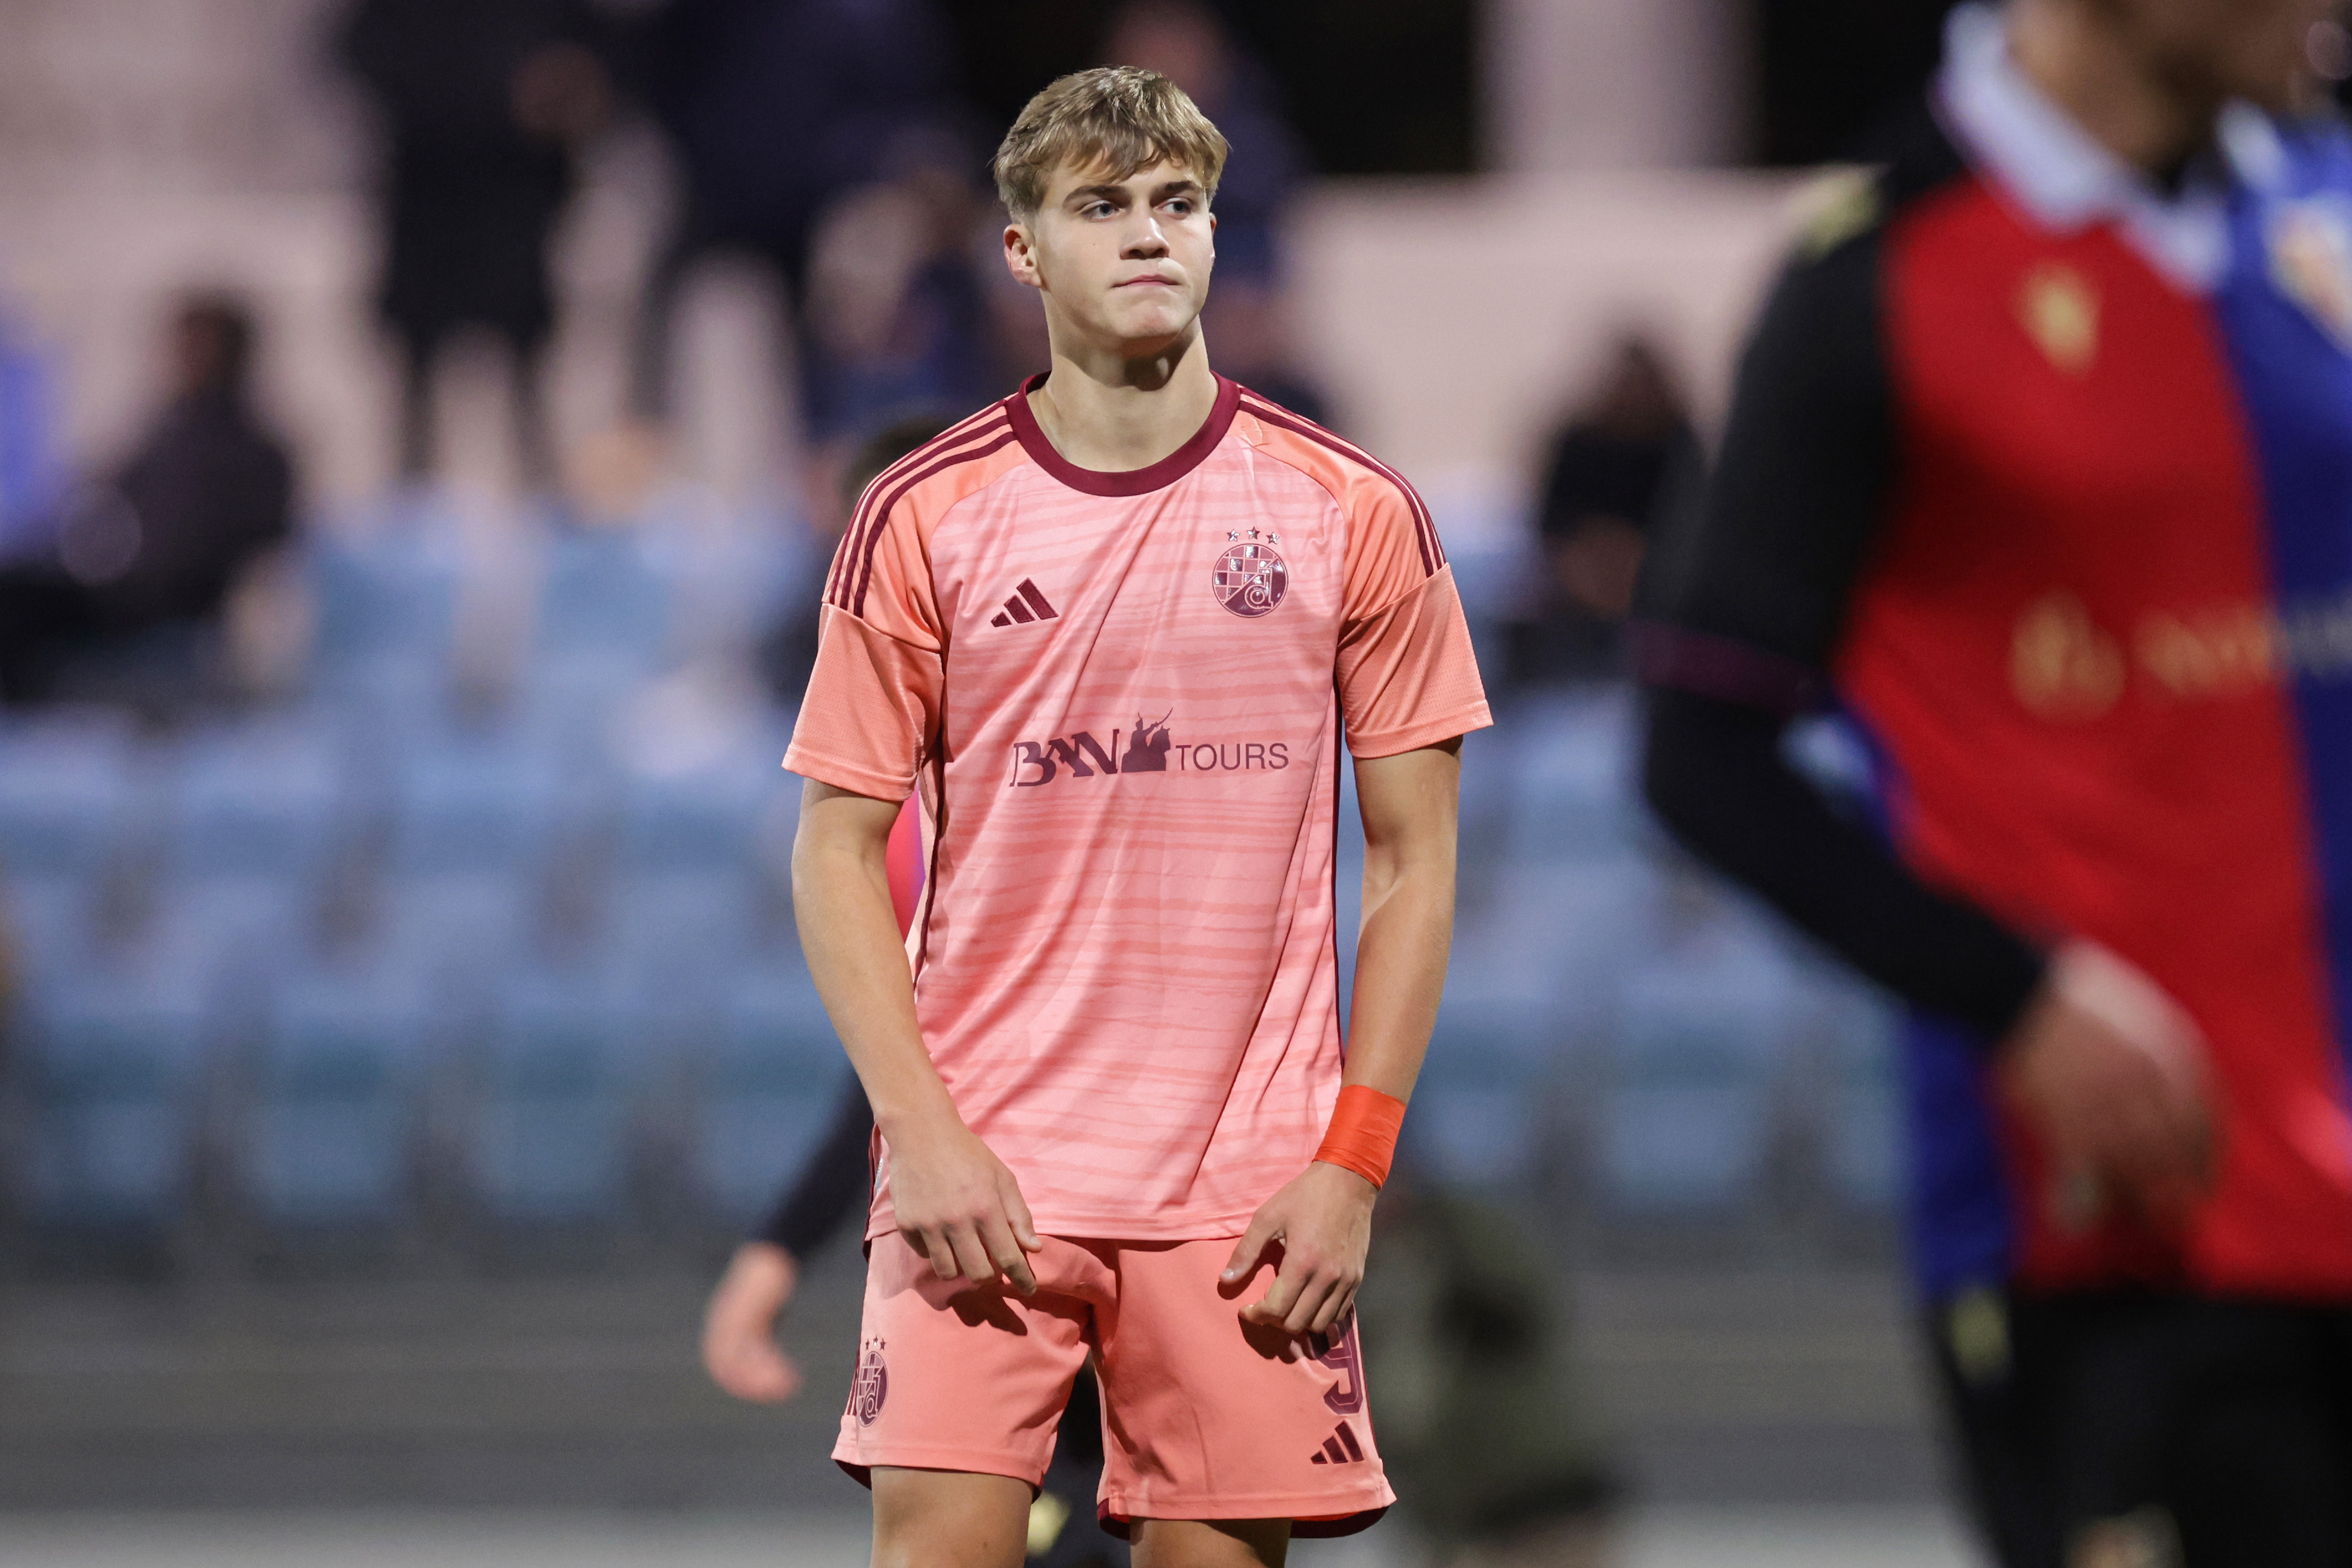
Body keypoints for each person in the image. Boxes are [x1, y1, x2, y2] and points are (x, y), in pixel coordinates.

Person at [1638, 2, 2352, 1563]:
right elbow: (1701, 749)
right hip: (2123, 1251)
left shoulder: (2326, 210)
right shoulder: (1871, 275)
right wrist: (2014, 993)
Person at [783, 66, 1489, 1567]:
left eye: (1179, 203)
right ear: (1022, 249)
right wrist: (922, 1135)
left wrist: (1350, 1165)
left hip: (1248, 1198)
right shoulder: (920, 514)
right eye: (1100, 205)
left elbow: (1416, 860)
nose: (1149, 233)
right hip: (981, 1172)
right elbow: (835, 849)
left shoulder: (1354, 510)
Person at [340, 0, 613, 491]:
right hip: (430, 198)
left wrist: (566, 83)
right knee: (417, 382)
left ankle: (541, 504)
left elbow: (597, 53)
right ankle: (414, 506)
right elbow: (358, 51)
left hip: (515, 201)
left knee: (528, 372)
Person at [0, 295, 293, 705]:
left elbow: (260, 544)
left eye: (200, 346)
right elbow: (103, 491)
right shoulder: (170, 430)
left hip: (165, 606)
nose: (186, 358)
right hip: (117, 588)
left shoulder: (254, 450)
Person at [1504, 338, 1700, 688]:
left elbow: (1690, 528)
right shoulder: (1578, 443)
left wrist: (1638, 562)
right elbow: (1551, 526)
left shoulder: (1679, 445)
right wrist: (1587, 563)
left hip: (1656, 579)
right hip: (1579, 578)